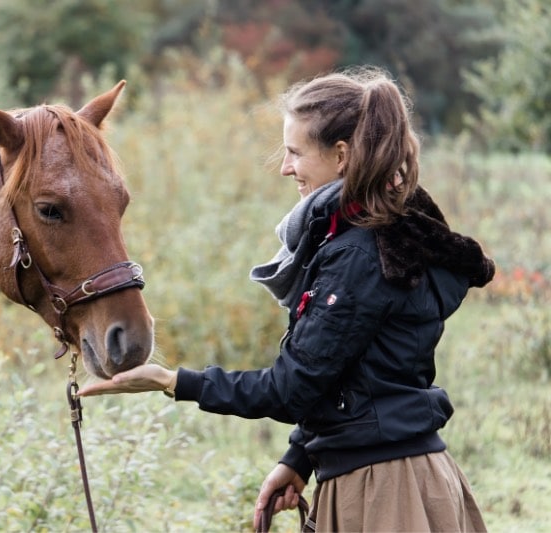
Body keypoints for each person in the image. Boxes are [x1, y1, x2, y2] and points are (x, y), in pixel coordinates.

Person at [78, 67, 494, 532]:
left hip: (385, 494)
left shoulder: (358, 255)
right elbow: (354, 374)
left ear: (341, 156)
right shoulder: (380, 235)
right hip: (384, 474)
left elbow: (291, 388)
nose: (285, 167)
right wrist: (300, 456)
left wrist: (173, 381)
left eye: (295, 152)